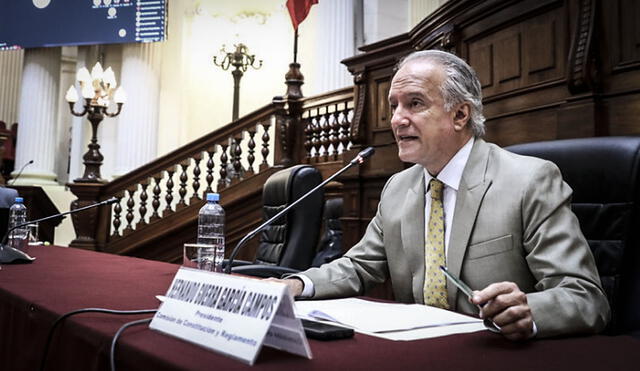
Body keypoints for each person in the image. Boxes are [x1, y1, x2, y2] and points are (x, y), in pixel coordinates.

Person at [275, 50, 610, 340]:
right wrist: (296, 286)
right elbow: (359, 267)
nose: (396, 120)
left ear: (460, 114)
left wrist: (529, 311)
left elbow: (585, 298)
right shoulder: (398, 189)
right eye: (394, 107)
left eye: (414, 104)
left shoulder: (529, 180)